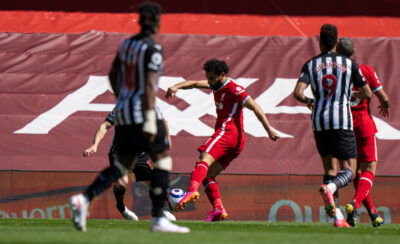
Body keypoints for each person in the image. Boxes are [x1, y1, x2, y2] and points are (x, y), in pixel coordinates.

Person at [69, 2, 189, 233]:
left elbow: (113, 74)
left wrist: (123, 98)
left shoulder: (127, 45)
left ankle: (84, 199)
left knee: (123, 165)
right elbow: (150, 84)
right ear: (156, 22)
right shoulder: (153, 48)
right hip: (142, 113)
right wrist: (148, 117)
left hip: (123, 111)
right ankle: (158, 218)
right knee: (162, 158)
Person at [166, 59, 280, 221]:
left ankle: (191, 191)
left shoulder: (234, 89)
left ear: (222, 75)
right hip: (237, 142)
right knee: (207, 176)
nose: (209, 81)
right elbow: (194, 84)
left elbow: (255, 107)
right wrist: (176, 87)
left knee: (202, 159)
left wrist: (268, 129)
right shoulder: (216, 84)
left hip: (228, 133)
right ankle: (218, 209)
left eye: (212, 78)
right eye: (208, 78)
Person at [293, 24, 372, 228]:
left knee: (329, 168)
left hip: (319, 121)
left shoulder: (310, 64)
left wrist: (310, 102)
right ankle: (331, 189)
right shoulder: (349, 63)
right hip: (342, 121)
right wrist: (351, 95)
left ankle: (338, 217)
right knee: (349, 171)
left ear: (319, 42)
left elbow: (298, 93)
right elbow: (367, 93)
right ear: (337, 42)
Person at [83, 106, 176, 222]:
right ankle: (121, 207)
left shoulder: (151, 106)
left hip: (140, 153)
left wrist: (167, 139)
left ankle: (159, 211)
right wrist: (94, 144)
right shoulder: (122, 107)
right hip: (119, 152)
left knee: (154, 184)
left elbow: (163, 121)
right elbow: (105, 125)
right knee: (122, 182)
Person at [336, 38, 389, 227]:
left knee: (356, 173)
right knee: (369, 170)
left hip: (345, 127)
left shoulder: (335, 75)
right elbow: (382, 97)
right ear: (354, 51)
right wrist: (386, 104)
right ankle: (354, 204)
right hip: (364, 126)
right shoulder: (365, 70)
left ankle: (373, 214)